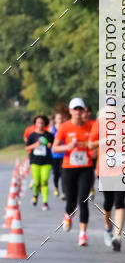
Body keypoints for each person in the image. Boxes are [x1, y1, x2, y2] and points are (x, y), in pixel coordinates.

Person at [52, 97, 94, 246]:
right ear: (70, 111)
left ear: (84, 111)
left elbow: (96, 144)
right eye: (75, 109)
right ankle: (68, 215)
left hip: (86, 168)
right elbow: (55, 148)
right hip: (69, 168)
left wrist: (94, 150)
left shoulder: (91, 126)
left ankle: (83, 234)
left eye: (80, 109)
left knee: (83, 200)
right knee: (71, 201)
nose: (77, 111)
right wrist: (68, 147)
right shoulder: (64, 127)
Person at [88, 112, 125, 252]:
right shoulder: (100, 123)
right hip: (105, 170)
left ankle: (117, 236)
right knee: (108, 202)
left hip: (123, 169)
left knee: (120, 201)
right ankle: (108, 228)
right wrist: (107, 140)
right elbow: (91, 144)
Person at [25, 115, 54, 211]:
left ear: (45, 124)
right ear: (35, 124)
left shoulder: (49, 135)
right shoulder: (32, 135)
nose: (40, 124)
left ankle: (45, 202)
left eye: (42, 122)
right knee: (36, 182)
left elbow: (54, 145)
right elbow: (27, 148)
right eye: (38, 122)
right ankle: (35, 195)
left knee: (44, 181)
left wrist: (50, 145)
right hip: (35, 162)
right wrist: (35, 144)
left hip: (47, 162)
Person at [50, 111, 66, 198]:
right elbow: (47, 139)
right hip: (54, 155)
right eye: (58, 118)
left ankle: (64, 192)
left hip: (64, 154)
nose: (60, 119)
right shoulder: (51, 129)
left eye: (61, 118)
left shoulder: (65, 128)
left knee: (63, 174)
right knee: (56, 174)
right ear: (55, 120)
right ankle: (56, 187)